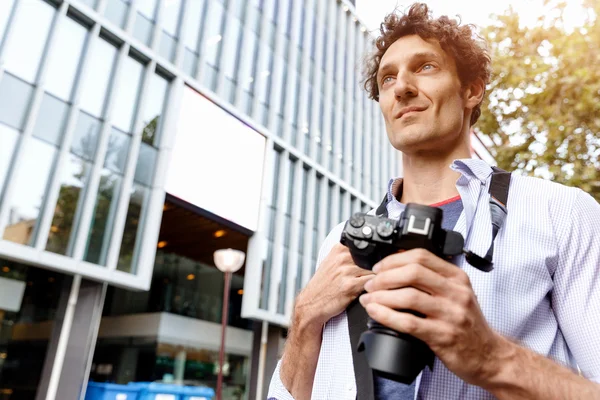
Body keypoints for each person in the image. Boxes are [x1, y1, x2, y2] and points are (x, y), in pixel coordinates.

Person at [268, 3, 600, 399]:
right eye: (387, 78)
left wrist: (494, 359)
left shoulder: (559, 213)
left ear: (471, 90)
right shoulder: (340, 241)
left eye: (425, 67)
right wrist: (305, 317)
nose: (402, 87)